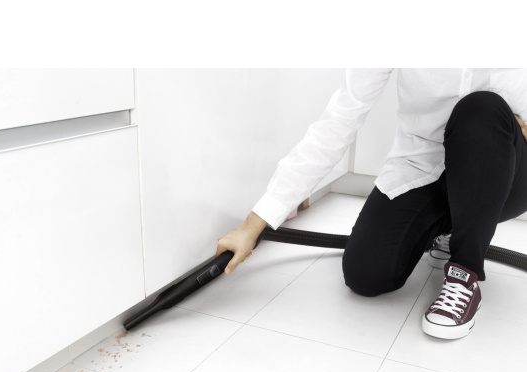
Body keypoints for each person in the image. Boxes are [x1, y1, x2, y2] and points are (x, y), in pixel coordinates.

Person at [215, 69, 527, 340]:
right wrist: (254, 223)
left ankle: (464, 272)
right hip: (422, 165)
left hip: (505, 172)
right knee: (366, 274)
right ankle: (453, 227)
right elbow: (338, 122)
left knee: (481, 109)